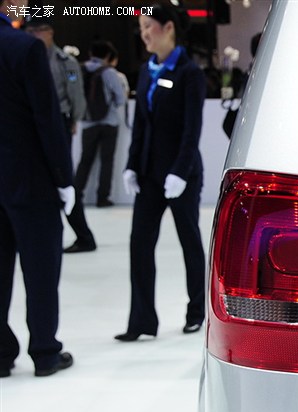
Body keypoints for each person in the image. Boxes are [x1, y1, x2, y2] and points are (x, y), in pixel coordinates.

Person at [116, 1, 206, 341]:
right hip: (148, 175)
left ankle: (196, 312)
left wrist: (180, 171)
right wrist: (131, 165)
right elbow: (141, 124)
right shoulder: (146, 70)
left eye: (148, 27)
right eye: (140, 28)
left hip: (180, 176)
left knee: (189, 240)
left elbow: (191, 129)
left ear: (168, 28)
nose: (143, 34)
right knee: (139, 244)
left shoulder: (189, 73)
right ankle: (141, 321)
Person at [1, 0, 75, 377]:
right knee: (41, 267)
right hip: (29, 178)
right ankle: (45, 351)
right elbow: (47, 119)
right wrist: (64, 177)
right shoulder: (25, 48)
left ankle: (1, 352)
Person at [65, 41, 127, 254]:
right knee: (107, 160)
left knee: (85, 160)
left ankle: (77, 195)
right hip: (109, 122)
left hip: (87, 122)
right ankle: (103, 197)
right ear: (108, 55)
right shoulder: (109, 72)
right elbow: (120, 98)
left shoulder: (79, 69)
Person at [24, 15, 85, 140]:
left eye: (39, 30)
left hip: (58, 117)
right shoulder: (21, 59)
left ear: (50, 32)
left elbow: (75, 92)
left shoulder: (65, 62)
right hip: (28, 118)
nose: (34, 35)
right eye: (30, 31)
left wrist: (75, 118)